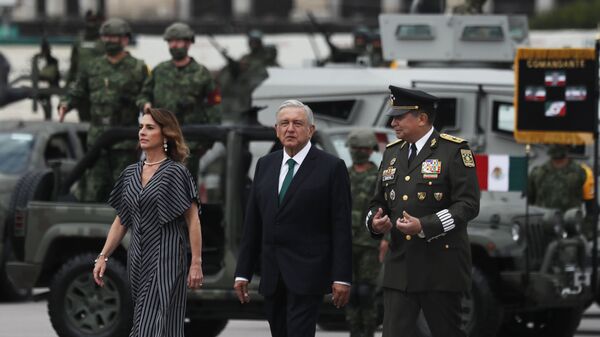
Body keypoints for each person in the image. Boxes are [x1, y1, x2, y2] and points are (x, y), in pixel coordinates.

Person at [366, 85, 480, 337]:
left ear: (422, 118)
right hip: (400, 265)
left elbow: (468, 205)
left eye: (399, 116)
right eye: (393, 117)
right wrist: (375, 222)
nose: (393, 122)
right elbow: (378, 202)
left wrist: (425, 226)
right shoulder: (392, 153)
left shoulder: (454, 151)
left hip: (441, 266)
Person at [233, 99, 353, 337]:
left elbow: (341, 226)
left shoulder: (331, 167)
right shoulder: (265, 165)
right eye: (284, 123)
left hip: (308, 273)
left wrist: (342, 277)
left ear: (311, 130)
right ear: (276, 130)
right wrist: (242, 271)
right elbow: (253, 224)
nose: (290, 129)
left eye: (298, 123)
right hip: (272, 274)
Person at [93, 108, 203, 337]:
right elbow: (121, 220)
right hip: (138, 256)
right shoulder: (130, 172)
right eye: (141, 127)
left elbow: (193, 219)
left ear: (166, 135)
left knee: (147, 323)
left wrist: (196, 263)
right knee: (165, 326)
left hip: (168, 255)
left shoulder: (176, 173)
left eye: (150, 128)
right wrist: (103, 256)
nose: (142, 132)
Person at [58, 17, 148, 202]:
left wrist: (145, 106)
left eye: (115, 37)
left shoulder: (138, 67)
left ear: (125, 39)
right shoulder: (92, 67)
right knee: (94, 189)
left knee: (124, 191)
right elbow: (78, 90)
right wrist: (66, 104)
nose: (110, 41)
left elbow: (146, 94)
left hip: (124, 140)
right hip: (97, 139)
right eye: (106, 37)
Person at [137, 22, 222, 178]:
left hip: (190, 143)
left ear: (188, 43)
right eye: (171, 41)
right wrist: (146, 104)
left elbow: (213, 107)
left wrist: (207, 141)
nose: (174, 45)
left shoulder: (201, 73)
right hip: (160, 141)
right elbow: (144, 94)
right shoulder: (160, 70)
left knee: (185, 188)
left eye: (178, 41)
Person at [345, 129, 381, 337]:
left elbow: (388, 209)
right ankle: (353, 332)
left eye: (363, 148)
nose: (359, 152)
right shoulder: (344, 174)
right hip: (346, 242)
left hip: (369, 243)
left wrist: (385, 239)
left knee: (366, 292)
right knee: (349, 292)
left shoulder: (379, 177)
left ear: (371, 150)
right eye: (356, 148)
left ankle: (367, 332)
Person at [528, 145, 596, 238]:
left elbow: (592, 208)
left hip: (570, 232)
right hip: (543, 232)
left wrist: (584, 232)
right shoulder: (537, 173)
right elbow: (529, 205)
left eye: (560, 143)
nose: (557, 145)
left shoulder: (583, 173)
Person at [217, 29, 277, 123]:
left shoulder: (266, 60)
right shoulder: (246, 58)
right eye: (251, 41)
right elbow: (236, 71)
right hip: (242, 100)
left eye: (255, 42)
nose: (253, 44)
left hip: (259, 98)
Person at [65, 10, 105, 122]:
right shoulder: (79, 40)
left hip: (99, 87)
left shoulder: (105, 41)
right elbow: (73, 64)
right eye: (89, 20)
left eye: (94, 21)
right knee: (83, 118)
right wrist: (68, 85)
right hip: (81, 86)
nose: (91, 24)